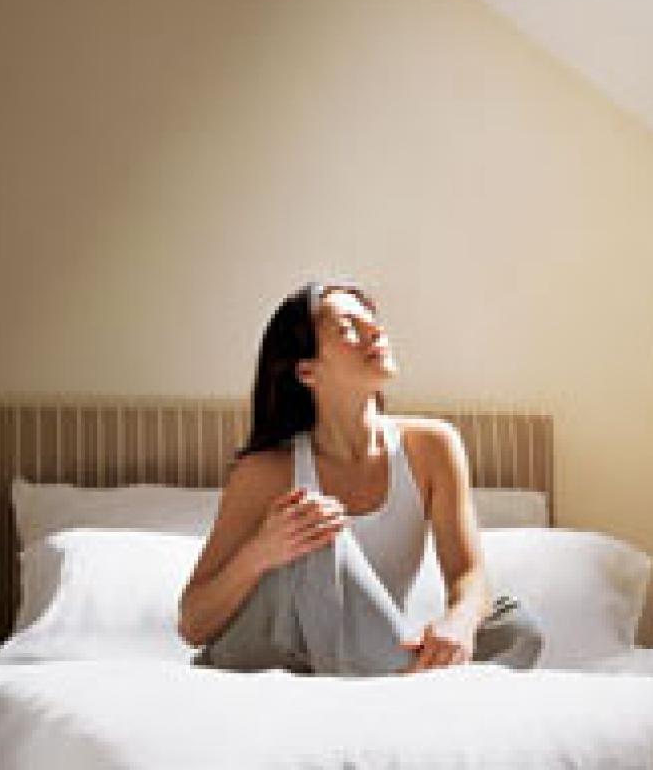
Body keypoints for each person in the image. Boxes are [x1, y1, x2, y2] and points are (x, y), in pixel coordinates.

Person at [178, 280, 543, 675]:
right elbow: (194, 624)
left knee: (516, 628)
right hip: (268, 650)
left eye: (373, 321)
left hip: (366, 651)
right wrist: (262, 551)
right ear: (306, 370)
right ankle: (402, 680)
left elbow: (468, 574)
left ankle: (394, 670)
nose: (375, 331)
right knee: (316, 523)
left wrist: (459, 621)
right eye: (348, 328)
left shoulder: (433, 446)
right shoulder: (266, 472)